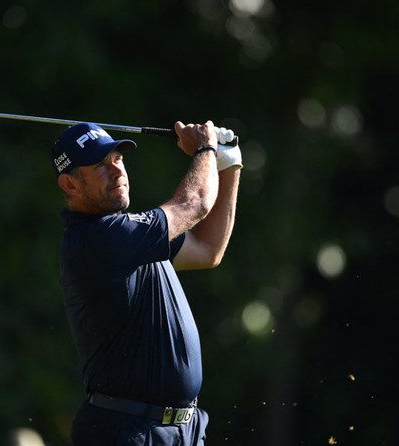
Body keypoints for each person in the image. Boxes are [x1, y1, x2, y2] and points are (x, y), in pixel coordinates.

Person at [51, 119, 242, 445]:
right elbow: (195, 204)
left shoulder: (129, 235)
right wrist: (206, 149)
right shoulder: (100, 239)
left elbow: (208, 249)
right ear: (70, 184)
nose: (116, 171)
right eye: (100, 165)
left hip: (177, 430)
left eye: (117, 158)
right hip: (127, 431)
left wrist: (229, 164)